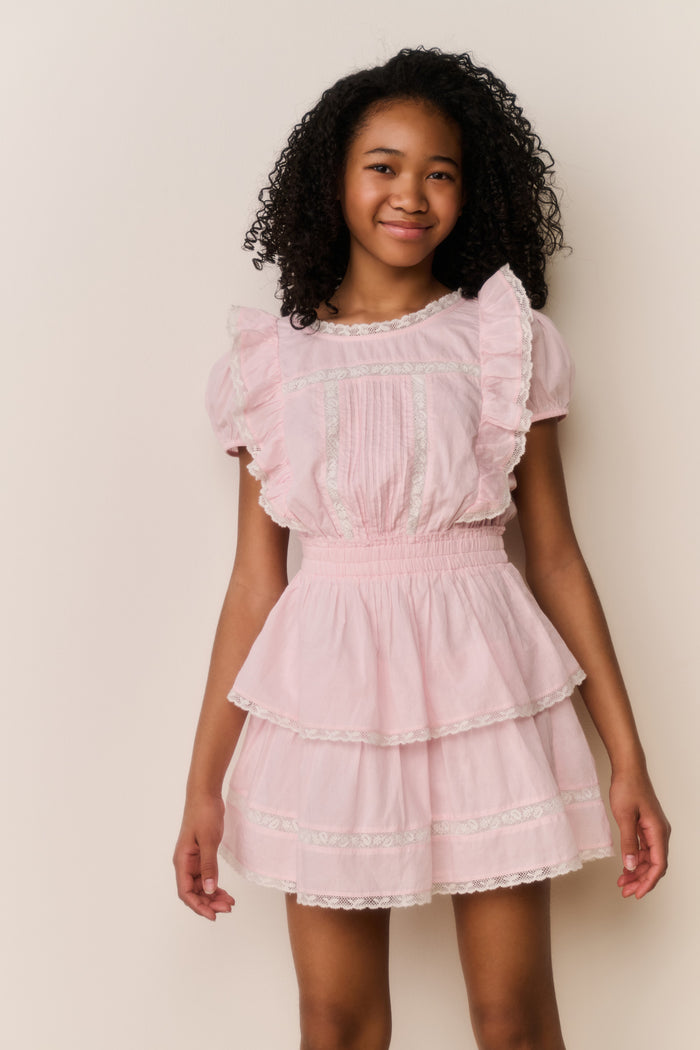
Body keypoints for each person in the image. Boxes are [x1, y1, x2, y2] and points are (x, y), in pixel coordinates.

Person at [173, 46, 671, 1050]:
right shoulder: (271, 364)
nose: (411, 194)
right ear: (334, 179)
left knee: (511, 1018)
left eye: (439, 172)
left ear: (468, 191)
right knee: (338, 1022)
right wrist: (201, 787)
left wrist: (627, 755)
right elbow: (252, 585)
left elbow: (558, 558)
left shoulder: (501, 339)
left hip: (481, 684)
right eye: (383, 165)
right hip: (328, 707)